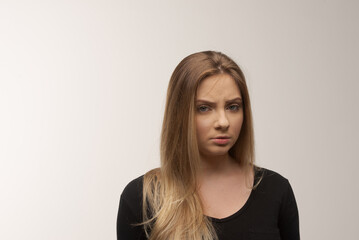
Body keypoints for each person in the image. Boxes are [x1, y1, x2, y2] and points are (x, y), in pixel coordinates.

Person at [117, 51, 300, 240]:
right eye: (204, 108)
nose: (223, 122)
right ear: (180, 115)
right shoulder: (142, 198)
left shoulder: (276, 190)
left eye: (233, 107)